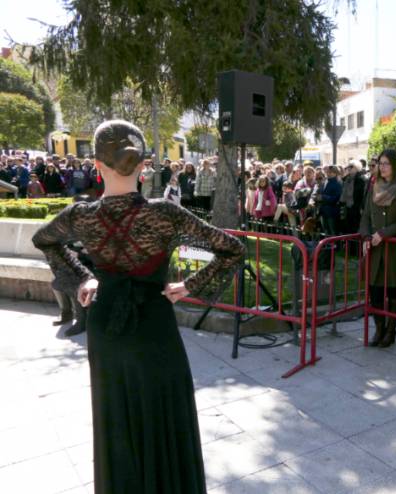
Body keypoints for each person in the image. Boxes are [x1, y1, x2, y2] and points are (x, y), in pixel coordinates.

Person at [32, 120, 244, 494]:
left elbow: (44, 240)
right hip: (154, 326)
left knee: (116, 418)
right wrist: (189, 286)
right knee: (165, 418)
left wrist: (83, 278)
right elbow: (232, 249)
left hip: (105, 328)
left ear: (97, 165)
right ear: (143, 165)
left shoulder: (81, 215)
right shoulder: (165, 214)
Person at [359, 149, 396, 347]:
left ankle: (391, 331)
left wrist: (384, 233)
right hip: (375, 250)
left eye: (386, 163)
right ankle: (379, 329)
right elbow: (365, 216)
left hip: (395, 251)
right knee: (374, 291)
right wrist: (366, 236)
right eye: (380, 163)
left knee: (393, 292)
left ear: (395, 165)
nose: (382, 167)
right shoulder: (374, 187)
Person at [340, 161, 366, 234]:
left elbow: (362, 195)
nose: (349, 168)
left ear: (357, 168)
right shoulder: (346, 179)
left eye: (351, 166)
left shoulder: (361, 179)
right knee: (347, 229)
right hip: (347, 208)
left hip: (356, 208)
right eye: (348, 166)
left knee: (355, 229)